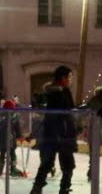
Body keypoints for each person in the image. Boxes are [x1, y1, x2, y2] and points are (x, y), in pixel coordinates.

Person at [30, 65, 77, 194]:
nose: (71, 79)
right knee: (67, 164)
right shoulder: (62, 92)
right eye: (70, 76)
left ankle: (37, 187)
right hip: (63, 132)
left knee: (48, 162)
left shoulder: (52, 92)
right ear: (63, 78)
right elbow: (68, 110)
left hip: (52, 131)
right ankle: (63, 188)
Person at [0, 99, 24, 177]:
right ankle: (13, 169)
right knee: (12, 153)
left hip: (1, 140)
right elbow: (17, 128)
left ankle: (1, 166)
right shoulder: (14, 116)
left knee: (2, 153)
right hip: (10, 139)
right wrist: (19, 136)